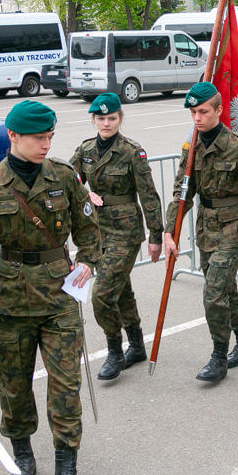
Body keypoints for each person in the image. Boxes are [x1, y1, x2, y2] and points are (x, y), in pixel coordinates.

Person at [0, 100, 103, 475]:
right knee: (14, 387)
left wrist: (88, 260)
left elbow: (89, 228)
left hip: (58, 296)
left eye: (50, 136)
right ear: (13, 136)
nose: (46, 144)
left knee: (66, 385)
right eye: (39, 138)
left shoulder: (65, 177)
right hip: (9, 298)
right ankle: (23, 459)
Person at [163, 82, 238, 380]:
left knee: (214, 291)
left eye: (203, 111)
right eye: (193, 112)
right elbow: (182, 194)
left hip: (235, 225)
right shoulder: (191, 148)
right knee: (226, 289)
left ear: (219, 110)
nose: (197, 118)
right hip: (206, 226)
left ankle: (219, 355)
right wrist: (169, 232)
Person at [70, 93, 163, 380]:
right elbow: (65, 176)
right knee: (120, 290)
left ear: (120, 118)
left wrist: (155, 235)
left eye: (111, 118)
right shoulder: (85, 149)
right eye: (101, 118)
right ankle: (135, 345)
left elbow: (148, 195)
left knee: (102, 294)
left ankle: (114, 350)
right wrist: (84, 191)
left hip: (125, 232)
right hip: (97, 232)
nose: (106, 123)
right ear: (93, 120)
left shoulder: (132, 151)